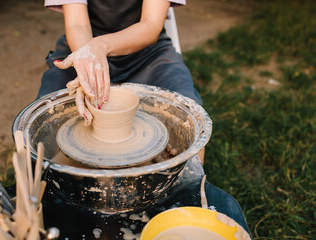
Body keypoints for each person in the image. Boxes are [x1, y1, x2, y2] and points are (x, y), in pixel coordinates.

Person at [35, 1, 252, 238]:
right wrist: (88, 63)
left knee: (187, 116)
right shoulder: (86, 49)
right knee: (46, 120)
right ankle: (59, 212)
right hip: (82, 48)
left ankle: (179, 210)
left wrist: (101, 46)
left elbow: (150, 25)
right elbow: (77, 23)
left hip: (147, 51)